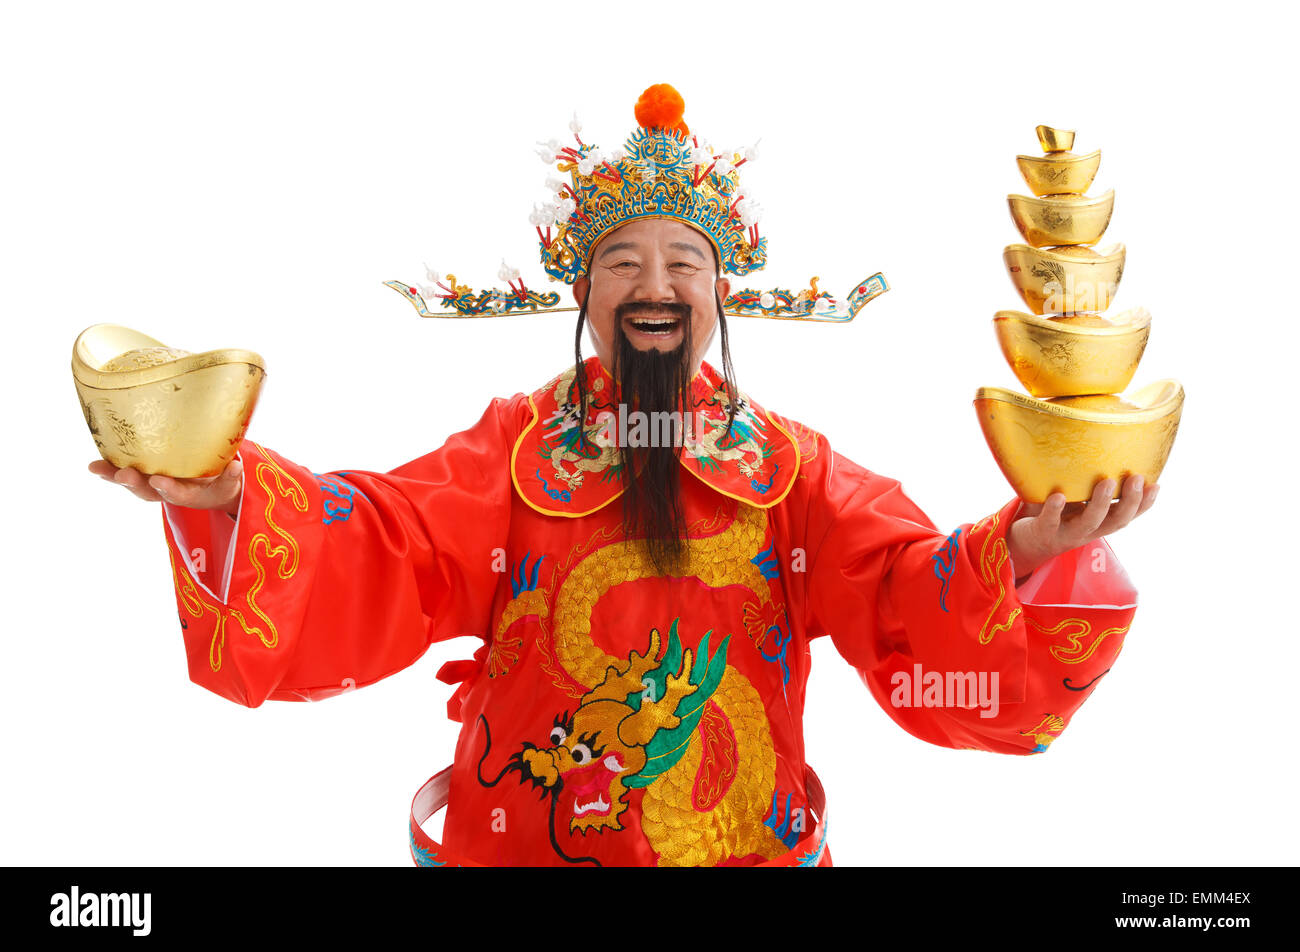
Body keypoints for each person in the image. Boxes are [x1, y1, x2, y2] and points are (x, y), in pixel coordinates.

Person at [88, 84, 1155, 867]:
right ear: (584, 292)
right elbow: (384, 540)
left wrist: (1025, 546)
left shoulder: (790, 468)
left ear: (719, 291)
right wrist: (232, 497)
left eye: (683, 262)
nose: (654, 285)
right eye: (622, 262)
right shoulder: (511, 450)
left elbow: (902, 586)